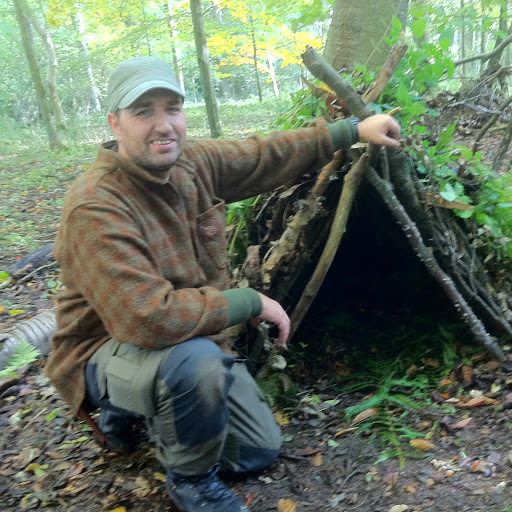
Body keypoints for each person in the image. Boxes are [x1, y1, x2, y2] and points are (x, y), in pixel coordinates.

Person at [45, 56, 401, 512]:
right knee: (196, 363)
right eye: (143, 111)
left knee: (257, 450)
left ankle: (144, 410)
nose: (163, 125)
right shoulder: (95, 206)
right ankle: (189, 481)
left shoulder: (192, 162)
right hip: (104, 347)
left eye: (172, 108)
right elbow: (146, 318)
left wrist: (351, 131)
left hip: (180, 340)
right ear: (115, 123)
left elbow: (264, 154)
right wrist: (249, 301)